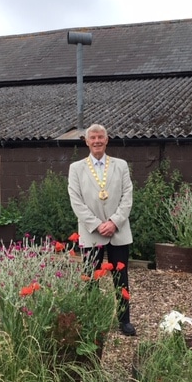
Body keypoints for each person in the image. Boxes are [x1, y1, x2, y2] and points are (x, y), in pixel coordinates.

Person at [68, 123, 136, 336]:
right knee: (90, 279)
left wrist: (114, 222)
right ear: (86, 142)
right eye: (93, 138)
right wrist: (97, 225)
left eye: (101, 137)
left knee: (121, 277)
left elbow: (127, 196)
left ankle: (124, 321)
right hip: (91, 233)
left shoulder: (121, 165)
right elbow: (76, 201)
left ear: (107, 140)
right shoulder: (76, 168)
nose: (97, 141)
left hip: (118, 231)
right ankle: (91, 318)